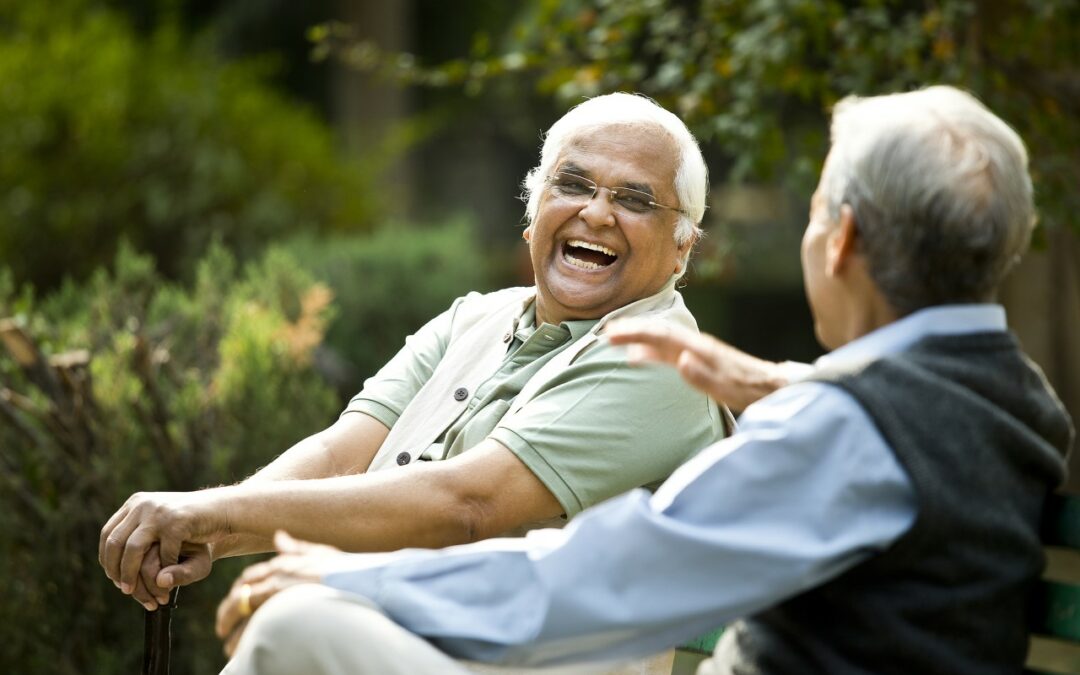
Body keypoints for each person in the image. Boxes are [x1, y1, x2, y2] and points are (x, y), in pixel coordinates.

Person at [214, 85, 1073, 675]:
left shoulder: (849, 431)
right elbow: (902, 442)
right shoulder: (1016, 401)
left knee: (300, 626)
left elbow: (603, 574)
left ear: (841, 239)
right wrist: (799, 388)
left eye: (812, 213)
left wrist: (341, 575)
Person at [98, 92, 728, 614]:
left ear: (681, 248)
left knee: (291, 622)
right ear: (533, 211)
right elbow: (342, 454)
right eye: (573, 184)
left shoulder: (663, 360)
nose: (596, 212)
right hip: (399, 632)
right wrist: (213, 531)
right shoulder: (472, 318)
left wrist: (215, 511)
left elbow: (467, 505)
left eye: (634, 199)